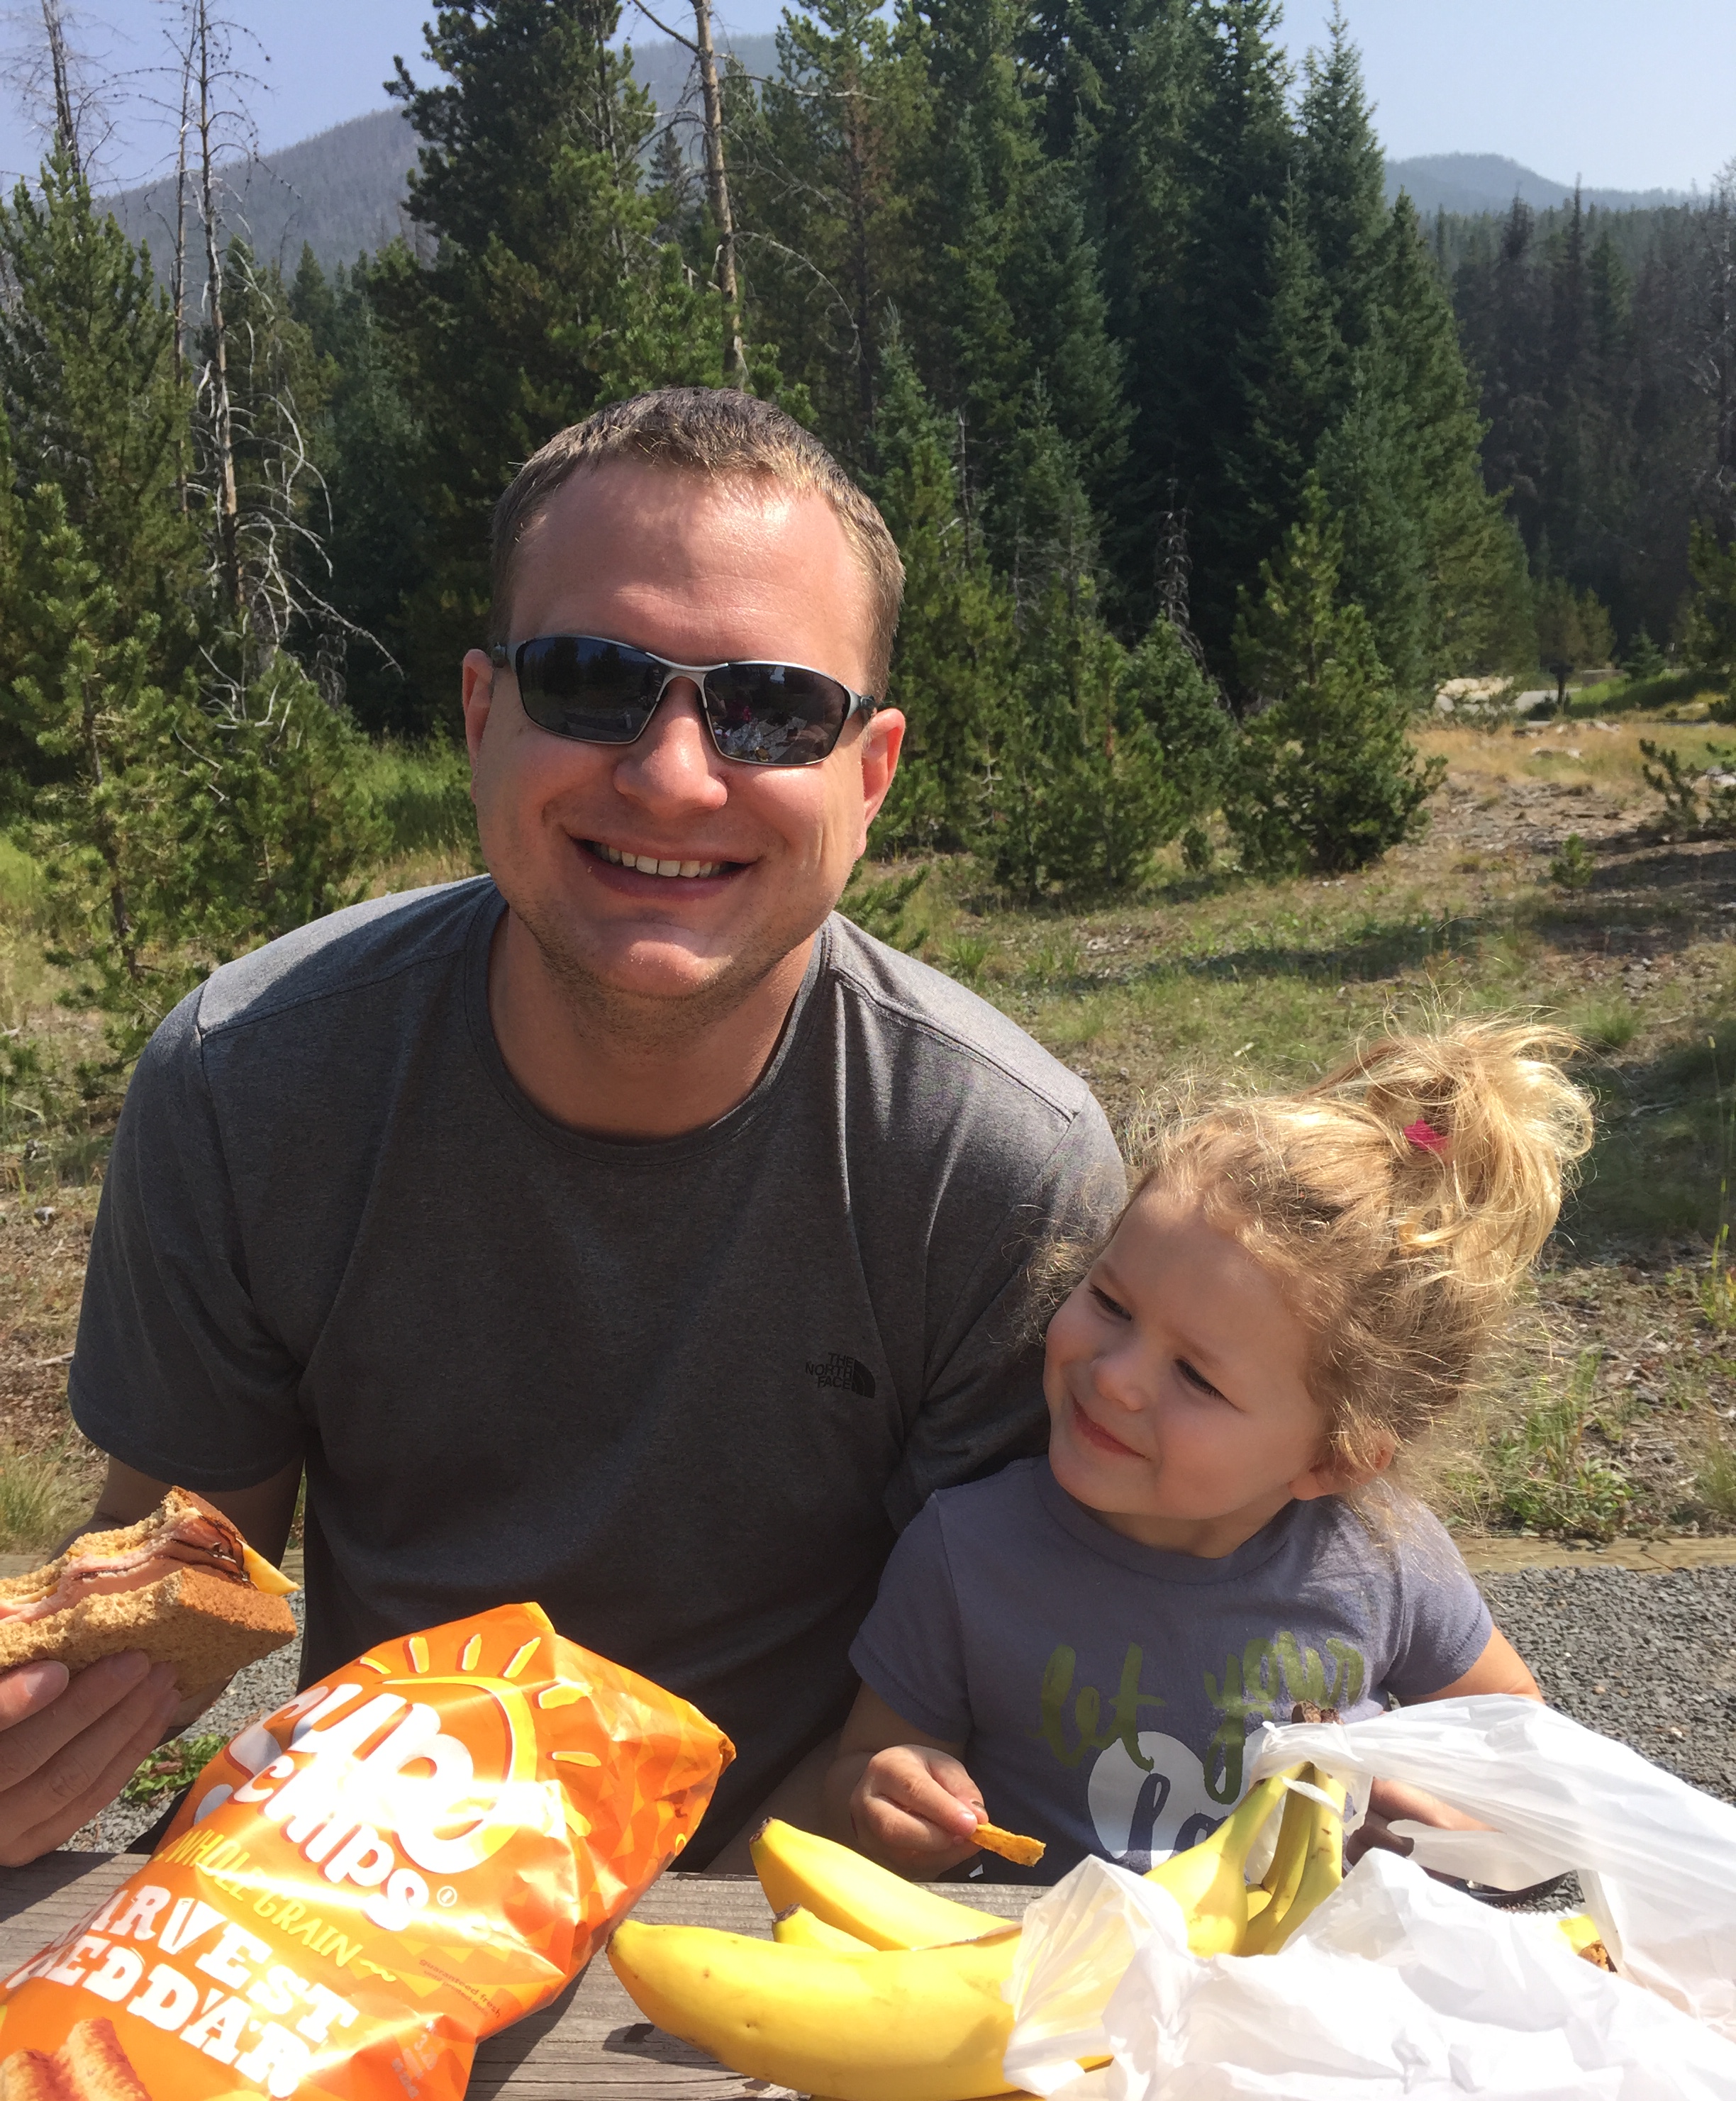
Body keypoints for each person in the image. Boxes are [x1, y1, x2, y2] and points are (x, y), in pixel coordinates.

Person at [0, 388, 1125, 1868]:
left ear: (870, 773)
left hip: (796, 1918)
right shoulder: (249, 1087)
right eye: (595, 680)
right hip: (366, 1894)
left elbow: (993, 1670)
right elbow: (170, 1588)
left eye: (771, 709)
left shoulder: (997, 1174)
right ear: (482, 714)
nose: (671, 773)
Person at [823, 1020, 1591, 1881]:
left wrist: (1447, 1820)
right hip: (1055, 1983)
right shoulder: (964, 1556)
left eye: (1196, 1376)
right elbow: (865, 1770)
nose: (1116, 1379)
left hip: (1309, 1983)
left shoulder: (1383, 1558)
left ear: (1336, 1460)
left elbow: (1519, 1733)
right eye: (1111, 1304)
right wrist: (892, 1800)